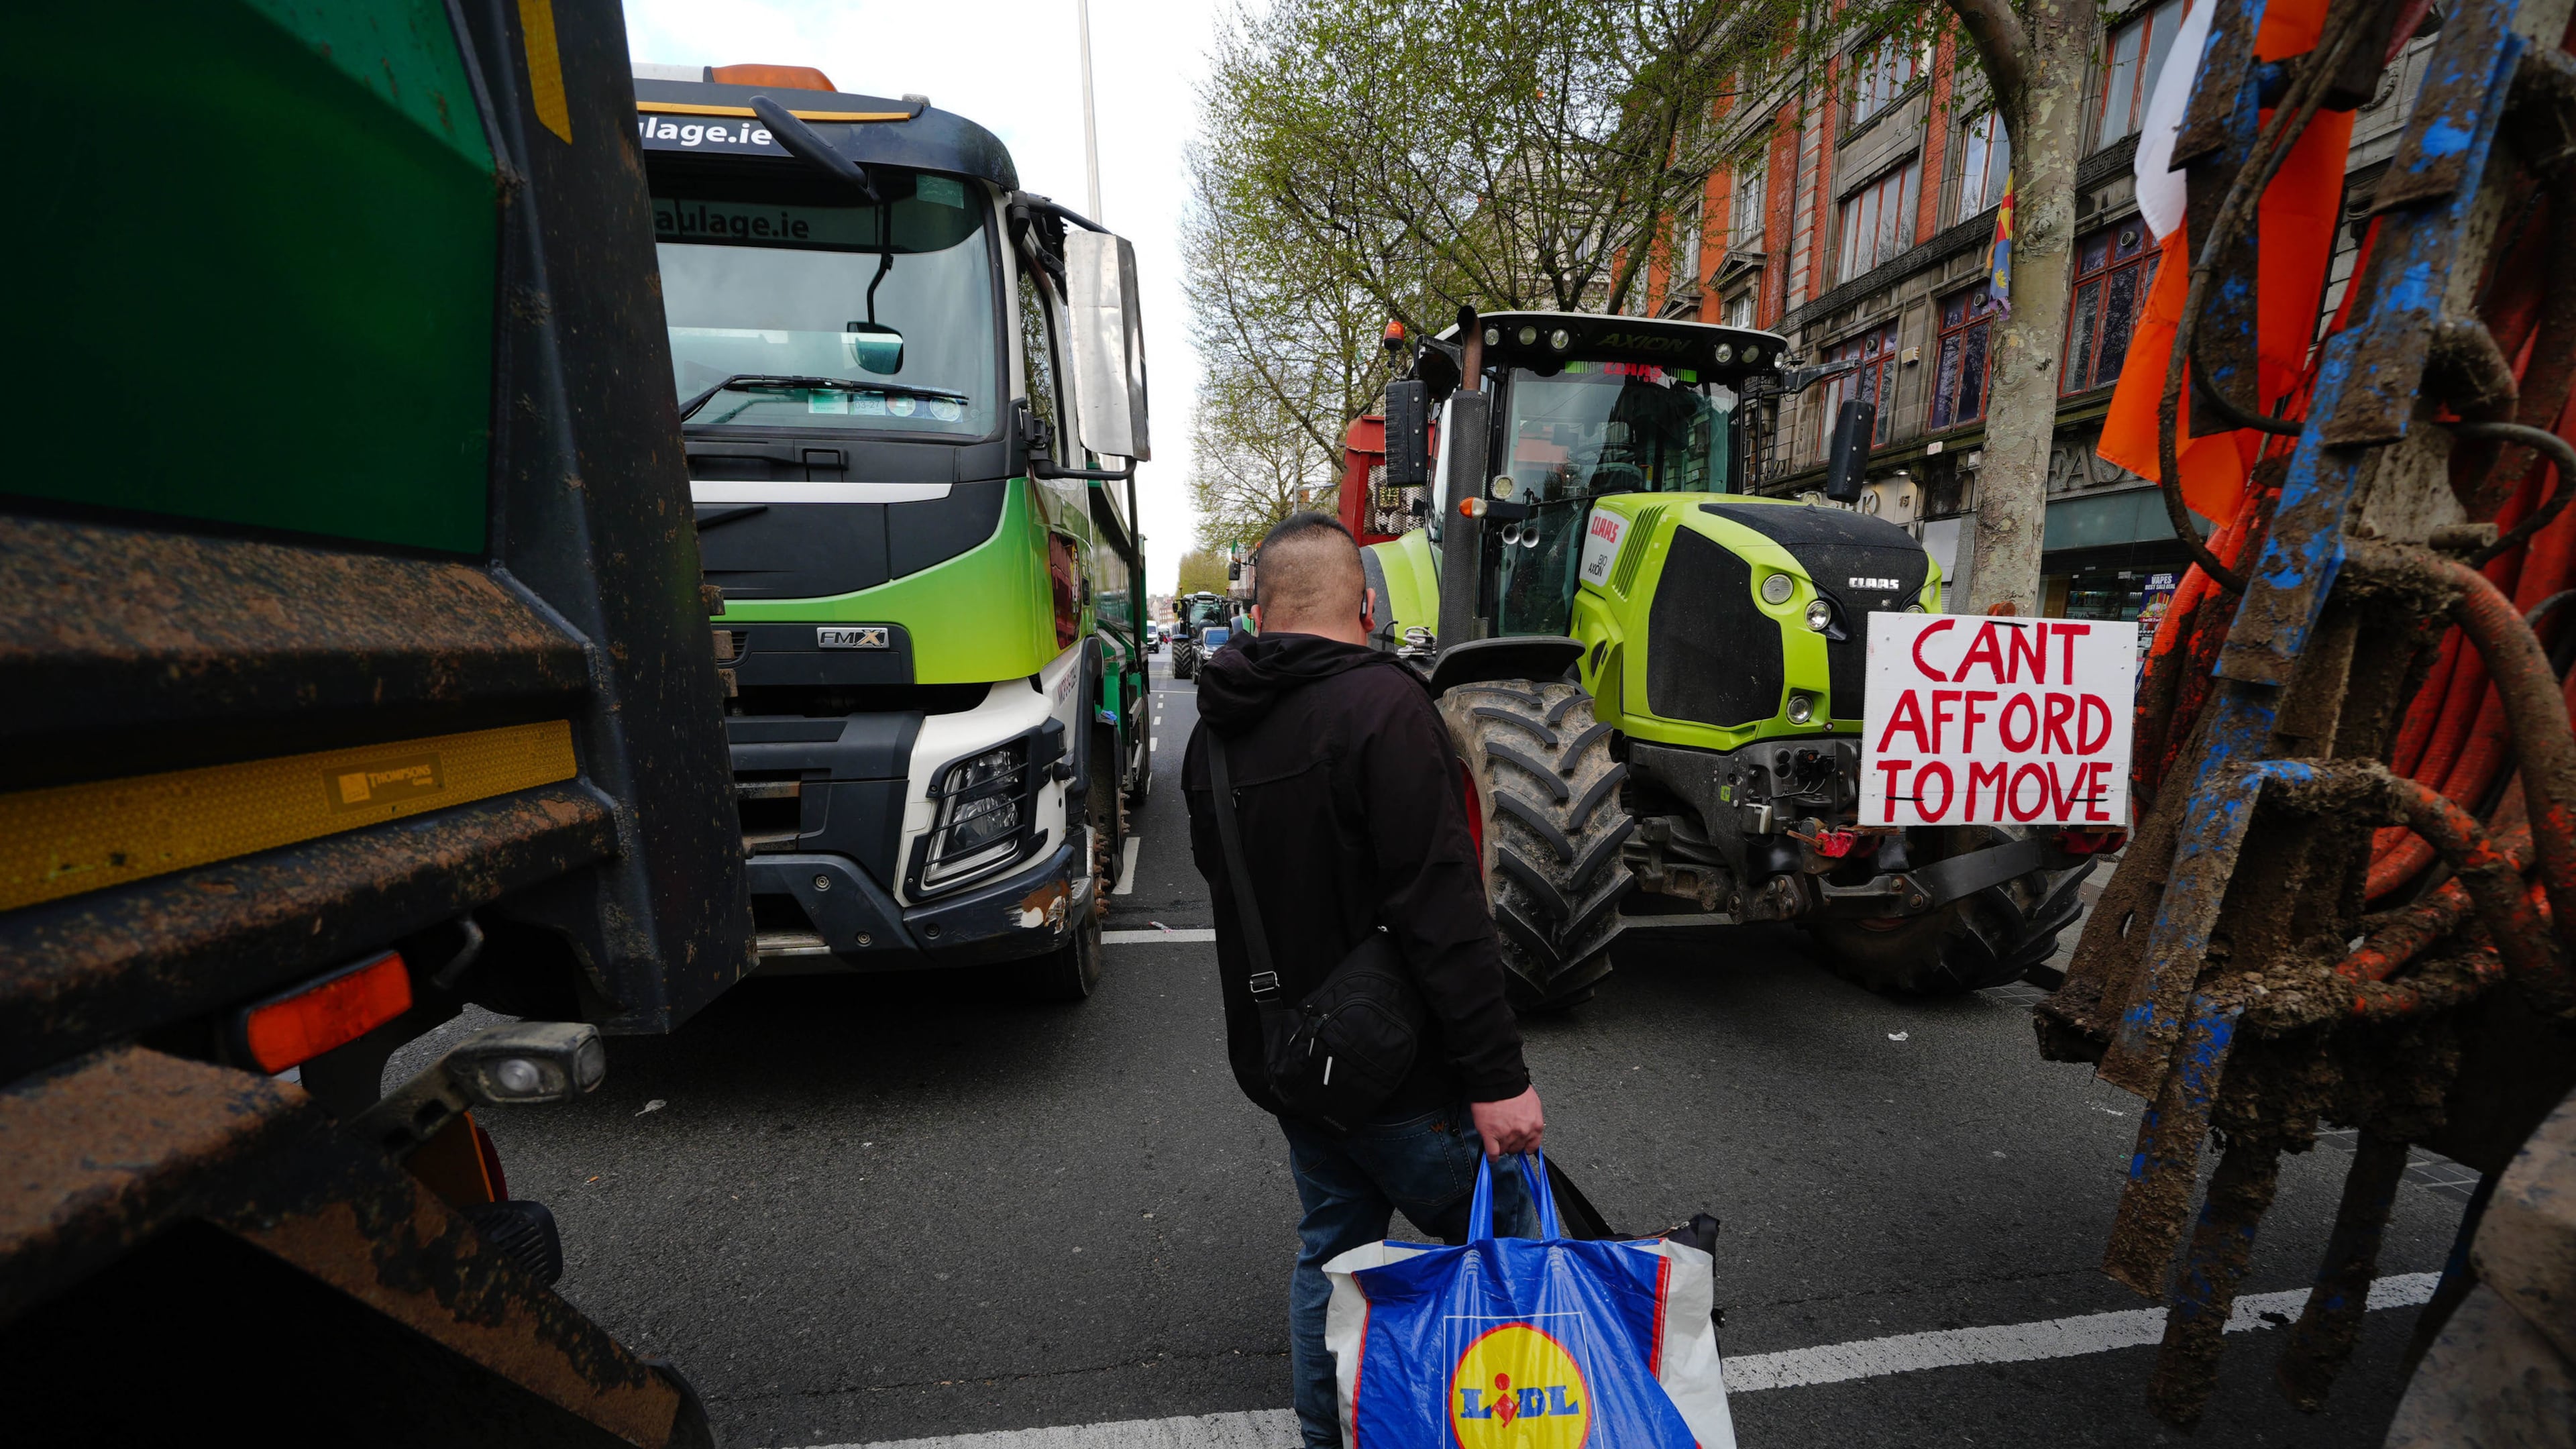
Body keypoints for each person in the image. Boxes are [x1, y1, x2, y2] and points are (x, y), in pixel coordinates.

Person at [1183, 512, 1545, 1449]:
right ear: (1368, 602)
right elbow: (1444, 912)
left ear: (1258, 606)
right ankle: (1524, 1421)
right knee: (1517, 1252)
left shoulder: (1211, 735)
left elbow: (1230, 888)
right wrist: (1499, 1079)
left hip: (1298, 1063)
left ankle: (1329, 1432)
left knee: (1331, 1255)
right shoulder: (1387, 710)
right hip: (1408, 1074)